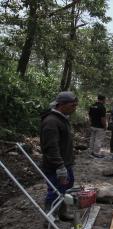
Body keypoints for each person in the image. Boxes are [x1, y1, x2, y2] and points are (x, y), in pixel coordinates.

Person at [40, 91, 78, 220]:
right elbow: (51, 147)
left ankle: (62, 213)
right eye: (72, 105)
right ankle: (50, 218)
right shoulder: (51, 122)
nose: (75, 108)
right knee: (55, 190)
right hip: (55, 165)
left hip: (64, 162)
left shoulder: (61, 118)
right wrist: (60, 167)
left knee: (66, 187)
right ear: (62, 104)